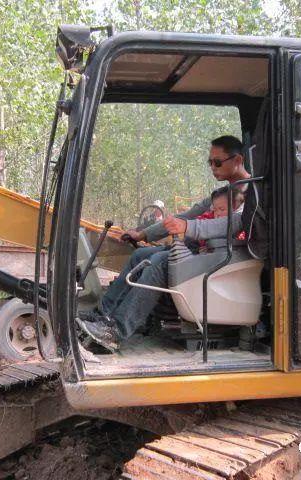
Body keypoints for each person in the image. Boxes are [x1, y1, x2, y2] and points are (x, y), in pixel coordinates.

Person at [77, 135, 251, 352]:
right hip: (208, 251)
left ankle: (117, 332)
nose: (212, 167)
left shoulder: (252, 192)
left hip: (229, 258)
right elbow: (189, 214)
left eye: (217, 162)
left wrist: (188, 228)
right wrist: (144, 234)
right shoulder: (223, 194)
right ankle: (103, 317)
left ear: (238, 160)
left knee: (159, 261)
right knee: (141, 256)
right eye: (210, 162)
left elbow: (234, 224)